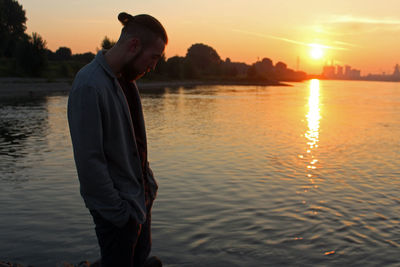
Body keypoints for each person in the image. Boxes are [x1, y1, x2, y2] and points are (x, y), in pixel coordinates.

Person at [67, 12, 167, 267]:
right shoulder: (89, 85)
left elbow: (134, 146)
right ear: (134, 45)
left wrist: (148, 187)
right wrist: (119, 213)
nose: (153, 66)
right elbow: (90, 164)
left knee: (140, 260)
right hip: (118, 213)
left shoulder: (126, 82)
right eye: (153, 57)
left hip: (139, 202)